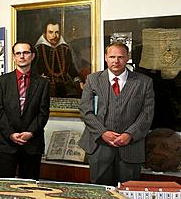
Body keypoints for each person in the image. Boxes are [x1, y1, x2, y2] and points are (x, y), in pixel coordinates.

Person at [79, 42, 155, 185]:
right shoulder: (93, 80)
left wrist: (130, 134)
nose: (116, 61)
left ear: (127, 58)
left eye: (120, 57)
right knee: (100, 195)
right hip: (99, 146)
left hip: (130, 148)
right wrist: (103, 132)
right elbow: (85, 110)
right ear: (106, 58)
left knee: (129, 194)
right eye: (112, 56)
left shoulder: (144, 82)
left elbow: (147, 113)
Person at [0, 42, 51, 179]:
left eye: (25, 53)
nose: (22, 56)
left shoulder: (43, 83)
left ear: (32, 56)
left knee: (29, 189)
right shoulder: (1, 81)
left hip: (32, 144)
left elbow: (43, 113)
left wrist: (30, 132)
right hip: (7, 144)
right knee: (6, 188)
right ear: (14, 57)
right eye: (18, 53)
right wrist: (11, 133)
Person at [32, 20, 83, 98]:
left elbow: (71, 69)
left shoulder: (65, 48)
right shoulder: (37, 49)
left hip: (64, 87)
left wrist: (79, 81)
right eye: (50, 32)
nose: (54, 36)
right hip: (45, 87)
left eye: (57, 32)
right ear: (45, 33)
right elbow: (33, 71)